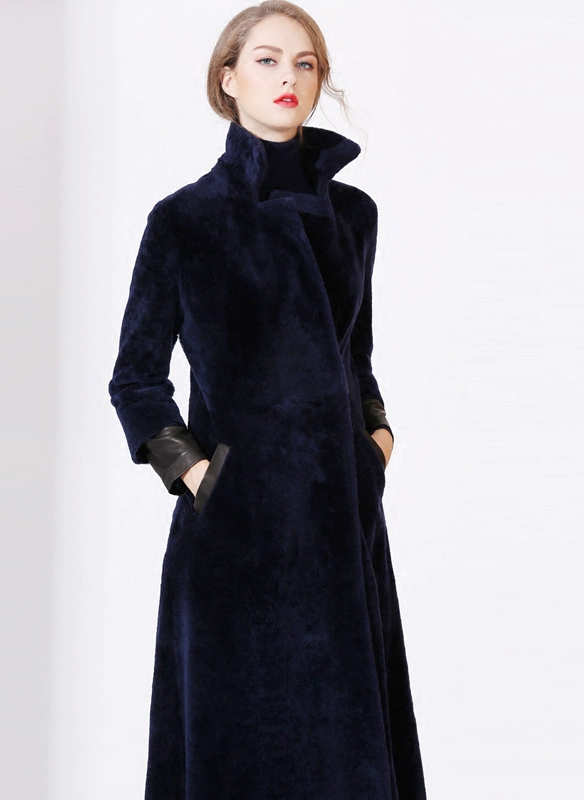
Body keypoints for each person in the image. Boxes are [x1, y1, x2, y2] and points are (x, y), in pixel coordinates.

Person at [107, 2, 427, 798]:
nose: (289, 77)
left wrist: (376, 445)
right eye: (267, 60)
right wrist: (201, 478)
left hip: (341, 530)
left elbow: (356, 360)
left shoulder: (354, 218)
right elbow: (136, 381)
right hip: (233, 542)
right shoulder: (183, 221)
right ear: (228, 78)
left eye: (305, 64)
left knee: (346, 755)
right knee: (237, 753)